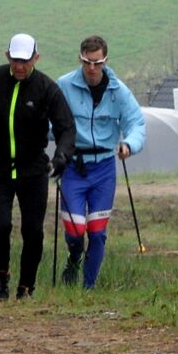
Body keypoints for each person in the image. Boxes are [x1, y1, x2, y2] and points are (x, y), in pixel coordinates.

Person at [0, 33, 75, 301]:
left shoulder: (47, 88)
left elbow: (66, 127)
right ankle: (1, 276)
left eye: (25, 61)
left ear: (36, 57)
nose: (20, 66)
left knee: (32, 231)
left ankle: (26, 286)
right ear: (7, 56)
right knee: (0, 226)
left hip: (33, 169)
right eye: (15, 60)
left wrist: (61, 157)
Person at [56, 35, 146, 289]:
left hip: (104, 167)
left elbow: (136, 123)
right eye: (87, 62)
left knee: (96, 231)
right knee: (75, 230)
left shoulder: (119, 91)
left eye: (97, 62)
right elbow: (49, 121)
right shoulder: (63, 85)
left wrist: (129, 144)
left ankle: (88, 288)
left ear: (106, 60)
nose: (92, 68)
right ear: (80, 59)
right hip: (73, 166)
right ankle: (74, 258)